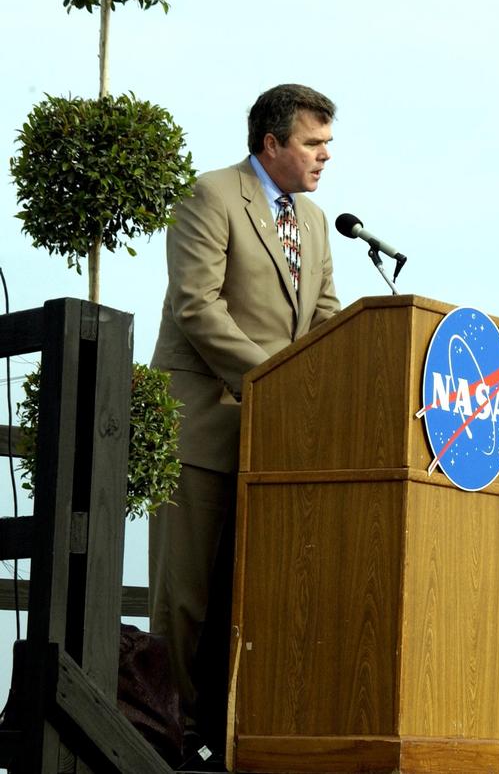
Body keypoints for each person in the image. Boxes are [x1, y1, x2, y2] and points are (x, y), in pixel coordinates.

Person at [149, 84, 341, 767]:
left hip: (277, 442)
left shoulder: (315, 222)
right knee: (186, 600)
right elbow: (197, 308)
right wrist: (273, 380)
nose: (325, 156)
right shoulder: (209, 195)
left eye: (326, 143)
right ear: (272, 143)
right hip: (203, 429)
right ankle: (165, 738)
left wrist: (340, 382)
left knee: (251, 602)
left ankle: (229, 739)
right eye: (313, 143)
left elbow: (325, 318)